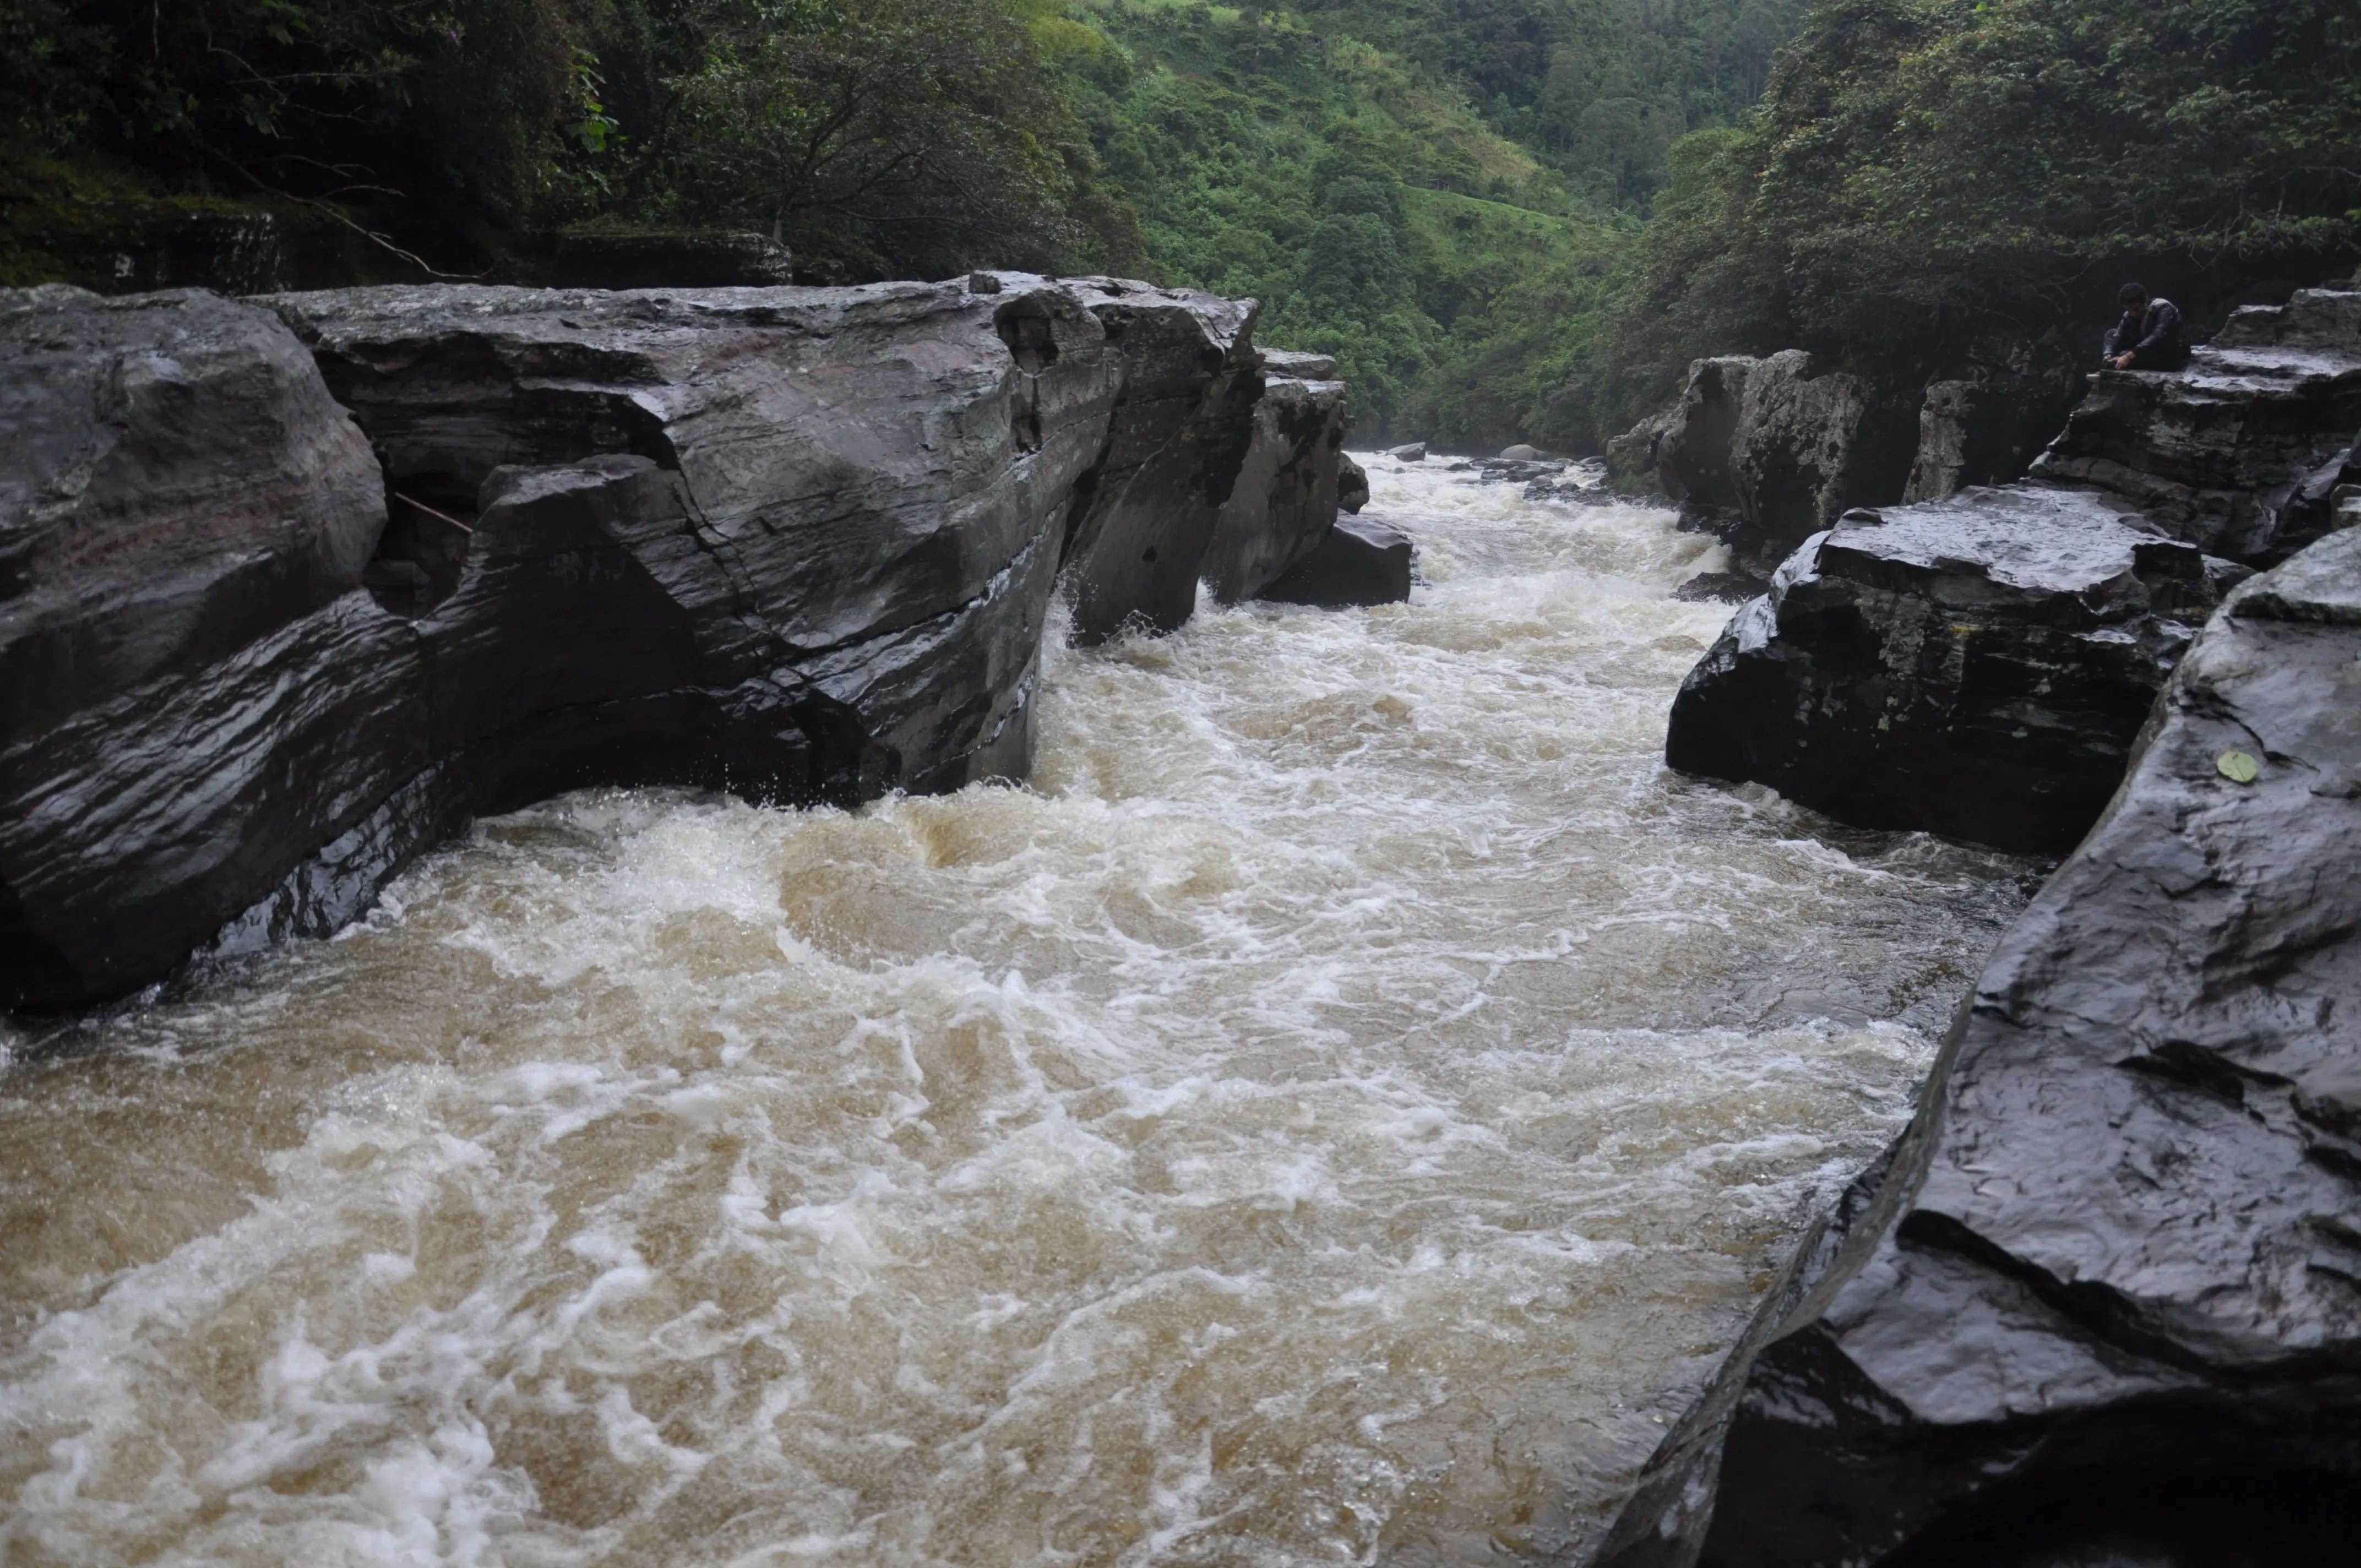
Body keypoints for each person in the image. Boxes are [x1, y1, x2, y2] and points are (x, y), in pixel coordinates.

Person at [2102, 282, 2187, 372]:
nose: (2133, 313)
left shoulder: (2164, 308)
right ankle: (2110, 361)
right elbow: (2118, 336)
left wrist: (2130, 355)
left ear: (2146, 300)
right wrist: (2109, 354)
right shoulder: (2128, 316)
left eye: (2136, 309)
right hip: (2146, 350)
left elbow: (2159, 335)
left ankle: (2120, 362)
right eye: (2128, 310)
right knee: (2111, 334)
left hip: (2169, 352)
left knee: (2126, 354)